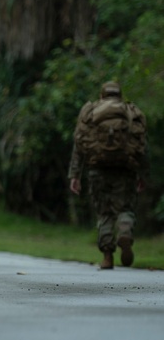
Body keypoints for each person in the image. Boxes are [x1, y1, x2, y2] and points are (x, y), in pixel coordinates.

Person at [68, 81, 148, 269]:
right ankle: (125, 233)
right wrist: (143, 174)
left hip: (97, 169)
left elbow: (78, 145)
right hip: (125, 169)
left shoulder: (90, 112)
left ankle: (107, 257)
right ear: (120, 95)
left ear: (102, 95)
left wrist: (75, 175)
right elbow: (143, 147)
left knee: (104, 213)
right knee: (125, 208)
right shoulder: (132, 112)